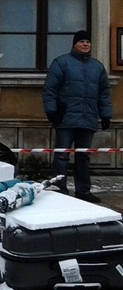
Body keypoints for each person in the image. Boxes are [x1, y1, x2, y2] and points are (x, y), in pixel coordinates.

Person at [42, 30, 112, 203]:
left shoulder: (98, 67)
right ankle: (59, 189)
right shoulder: (61, 63)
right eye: (82, 41)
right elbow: (50, 89)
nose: (85, 44)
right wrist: (51, 111)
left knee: (84, 156)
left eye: (88, 41)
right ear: (75, 44)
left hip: (88, 118)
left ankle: (83, 191)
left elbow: (104, 93)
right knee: (61, 155)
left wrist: (105, 115)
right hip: (65, 118)